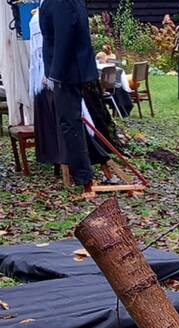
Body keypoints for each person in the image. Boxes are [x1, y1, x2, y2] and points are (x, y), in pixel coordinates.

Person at [38, 0, 97, 195]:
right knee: (73, 122)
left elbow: (64, 38)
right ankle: (87, 168)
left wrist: (56, 75)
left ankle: (83, 176)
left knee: (69, 123)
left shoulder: (60, 1)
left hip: (69, 73)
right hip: (71, 71)